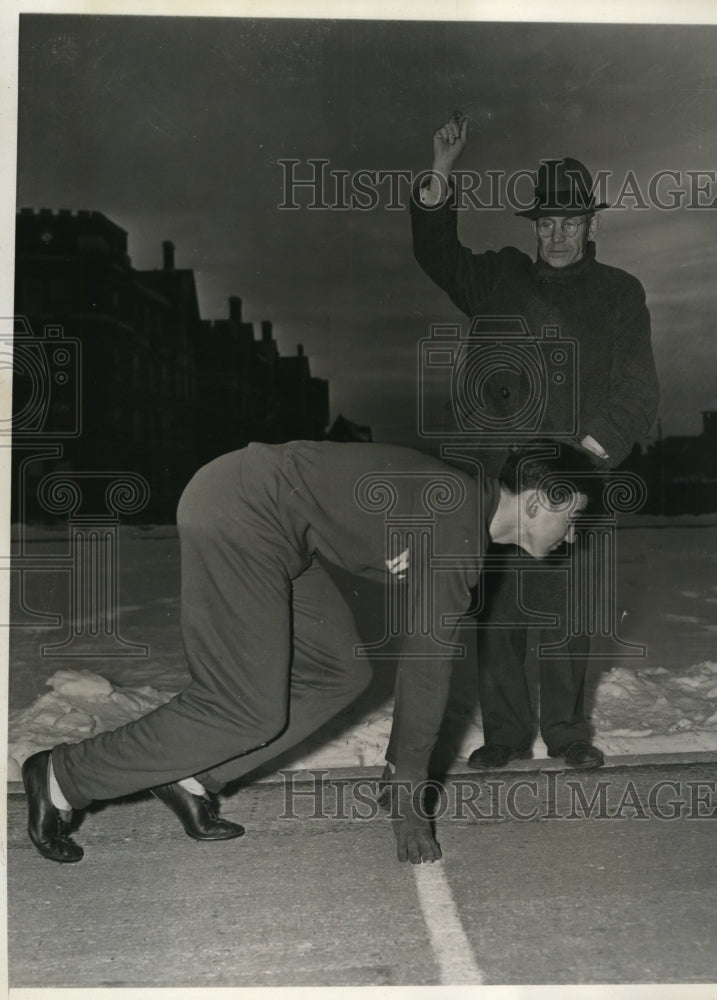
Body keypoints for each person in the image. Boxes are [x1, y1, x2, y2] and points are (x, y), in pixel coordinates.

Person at [22, 439, 593, 866]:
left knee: (338, 670)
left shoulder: (459, 511)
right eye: (574, 518)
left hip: (277, 525)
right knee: (244, 705)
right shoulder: (459, 530)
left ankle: (195, 778)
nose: (573, 535)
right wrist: (408, 790)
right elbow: (426, 664)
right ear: (541, 501)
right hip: (243, 511)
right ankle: (62, 775)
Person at [410, 114, 659, 772]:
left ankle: (570, 735)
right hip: (496, 483)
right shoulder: (499, 279)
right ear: (533, 225)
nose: (556, 233)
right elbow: (436, 253)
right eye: (545, 221)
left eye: (570, 221)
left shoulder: (619, 295)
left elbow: (637, 392)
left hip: (571, 482)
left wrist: (581, 463)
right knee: (496, 619)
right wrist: (441, 168)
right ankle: (506, 737)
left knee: (567, 620)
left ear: (591, 226)